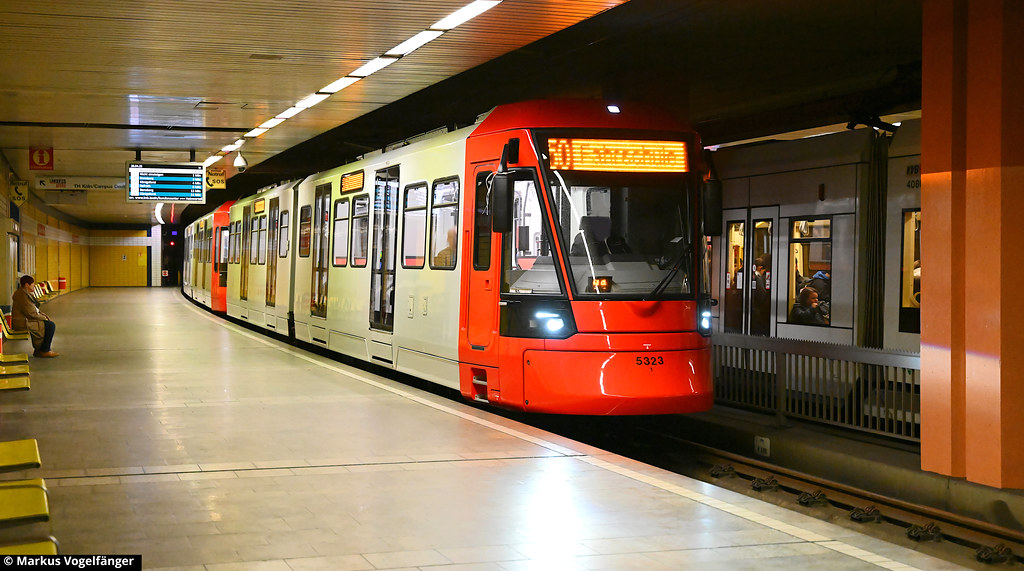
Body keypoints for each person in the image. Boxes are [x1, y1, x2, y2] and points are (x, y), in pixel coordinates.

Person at [12, 275, 58, 357]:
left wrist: (44, 316)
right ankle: (44, 350)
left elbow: (33, 310)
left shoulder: (24, 293)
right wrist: (44, 318)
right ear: (27, 285)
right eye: (32, 284)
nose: (34, 285)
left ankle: (40, 350)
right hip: (22, 322)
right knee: (50, 326)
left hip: (25, 319)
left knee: (48, 324)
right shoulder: (22, 296)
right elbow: (31, 313)